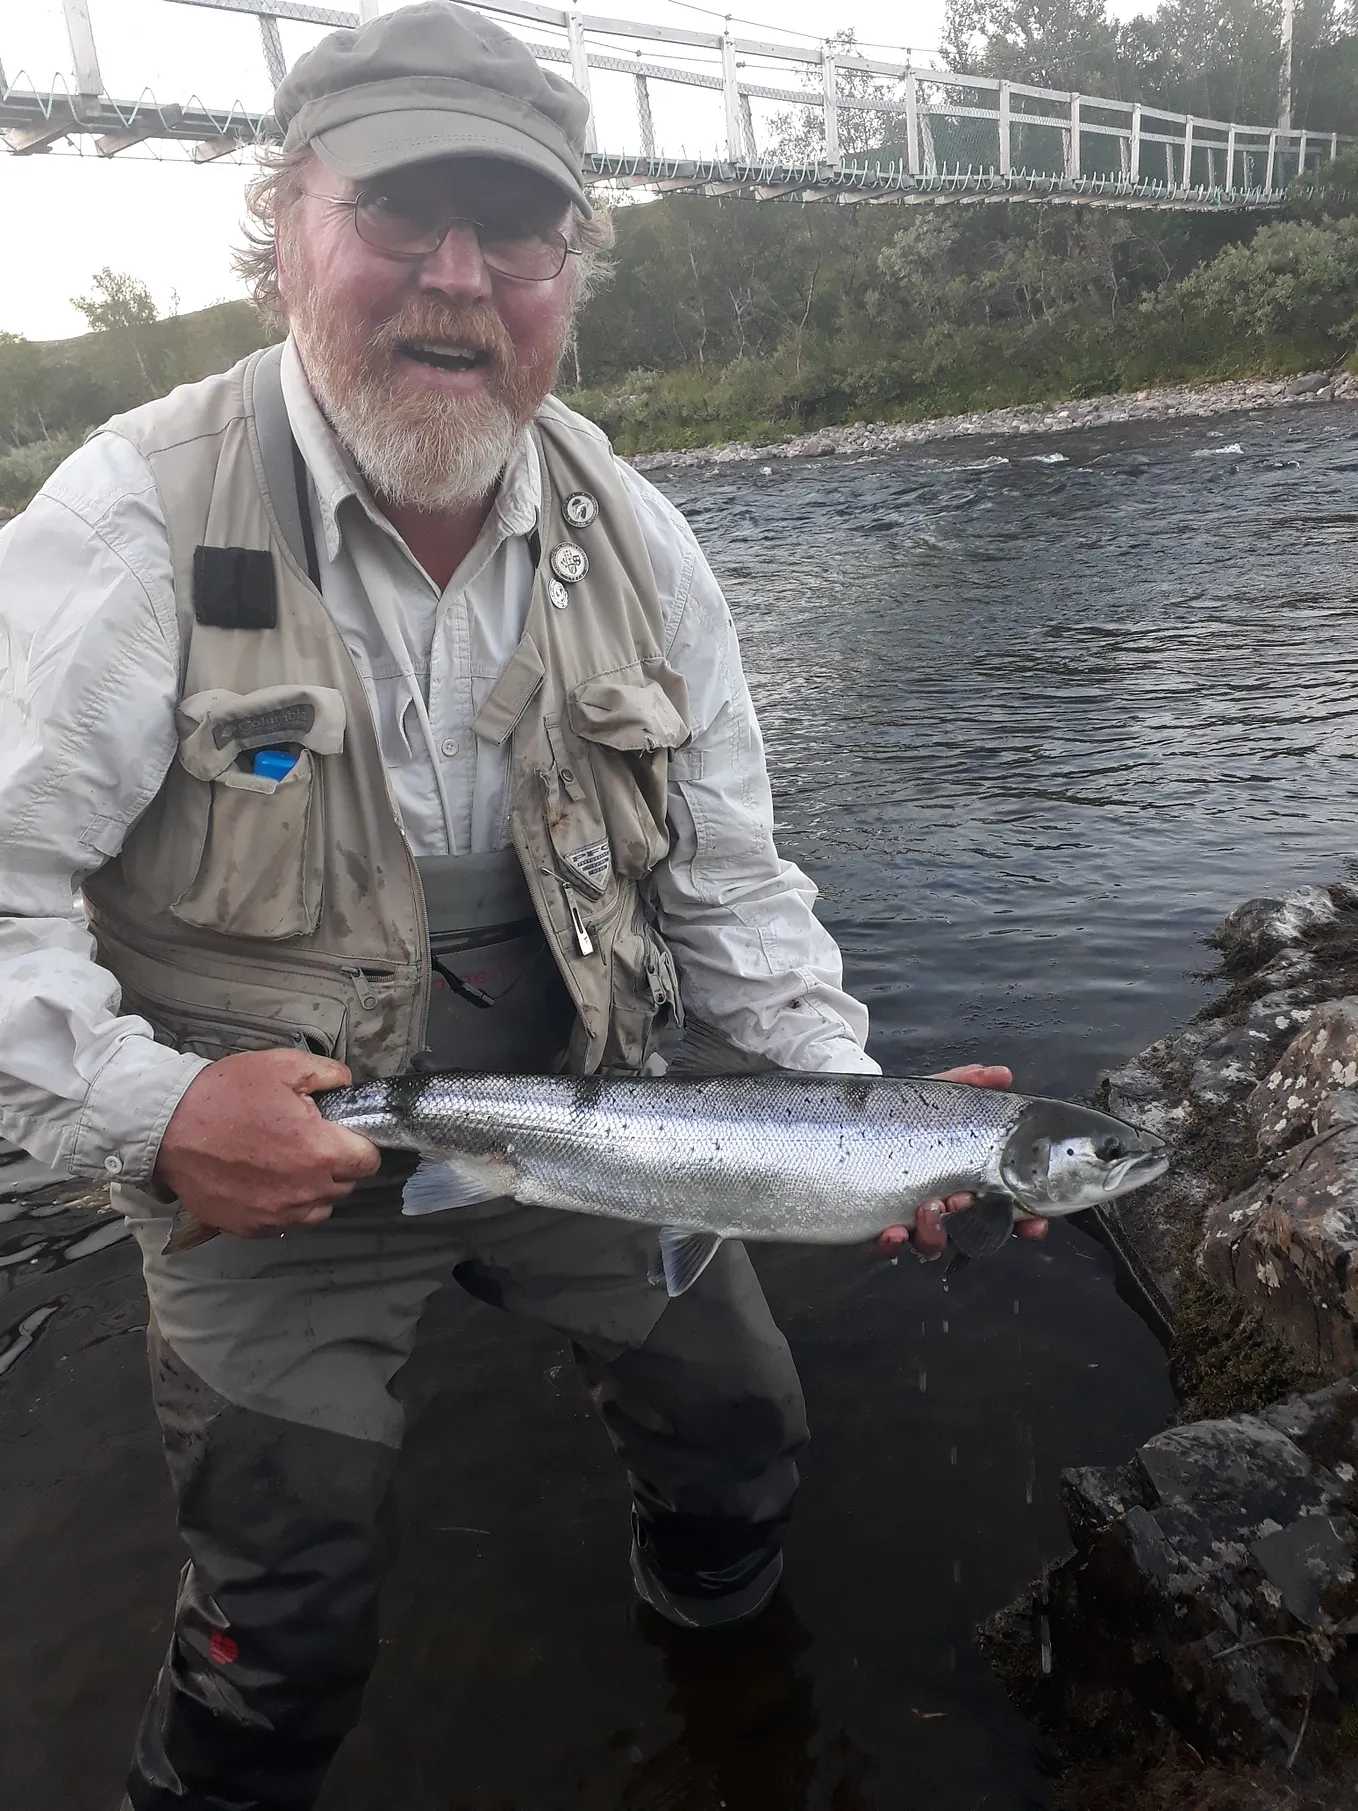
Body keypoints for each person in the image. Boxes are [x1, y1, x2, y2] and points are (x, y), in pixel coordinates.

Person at [0, 5, 1044, 1806]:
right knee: (287, 1597)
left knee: (742, 1429)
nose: (459, 279)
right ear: (284, 233)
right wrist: (157, 1113)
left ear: (574, 269)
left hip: (596, 1113)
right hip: (263, 1153)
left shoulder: (643, 538)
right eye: (402, 215)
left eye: (518, 230)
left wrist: (849, 1097)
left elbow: (729, 882)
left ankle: (726, 1676)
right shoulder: (127, 520)